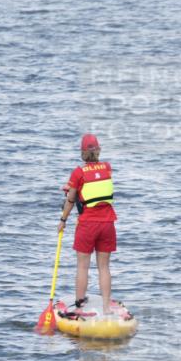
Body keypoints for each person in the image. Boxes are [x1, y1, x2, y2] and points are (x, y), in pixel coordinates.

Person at [58, 134, 117, 312]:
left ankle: (79, 307)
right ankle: (106, 307)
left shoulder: (78, 172)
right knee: (104, 267)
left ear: (82, 153)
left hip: (88, 224)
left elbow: (70, 200)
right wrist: (75, 189)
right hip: (108, 224)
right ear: (98, 150)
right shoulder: (107, 168)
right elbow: (96, 183)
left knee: (83, 266)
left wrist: (63, 220)